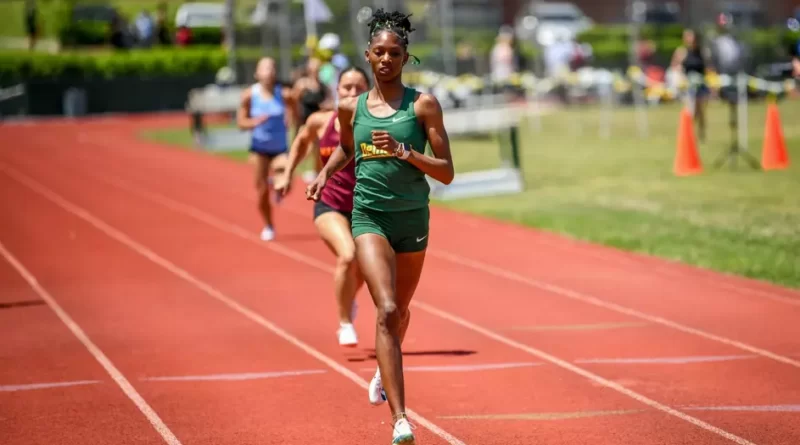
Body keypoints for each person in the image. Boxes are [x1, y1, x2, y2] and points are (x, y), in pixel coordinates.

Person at [305, 9, 454, 444]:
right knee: (386, 309)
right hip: (368, 215)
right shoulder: (350, 107)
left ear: (405, 57)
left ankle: (382, 370)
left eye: (394, 53)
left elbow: (445, 172)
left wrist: (408, 153)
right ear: (368, 56)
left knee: (401, 311)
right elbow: (345, 149)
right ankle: (401, 419)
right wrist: (323, 174)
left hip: (413, 219)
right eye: (379, 52)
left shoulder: (422, 105)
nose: (386, 59)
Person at [274, 66, 371, 347]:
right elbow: (301, 142)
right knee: (349, 255)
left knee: (366, 267)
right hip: (330, 205)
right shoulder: (321, 121)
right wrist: (287, 173)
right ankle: (344, 323)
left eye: (359, 87)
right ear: (336, 90)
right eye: (347, 87)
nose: (353, 92)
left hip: (366, 209)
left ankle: (347, 299)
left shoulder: (377, 122)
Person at [237, 57, 297, 241]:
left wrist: (290, 120)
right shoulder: (249, 95)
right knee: (261, 191)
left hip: (280, 148)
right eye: (264, 68)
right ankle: (269, 225)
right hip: (259, 148)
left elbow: (295, 112)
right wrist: (254, 122)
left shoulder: (284, 94)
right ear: (257, 73)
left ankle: (277, 184)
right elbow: (240, 123)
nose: (269, 71)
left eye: (272, 68)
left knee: (287, 177)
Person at [671, 28, 712, 142]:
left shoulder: (702, 52)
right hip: (688, 86)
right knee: (691, 110)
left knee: (701, 111)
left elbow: (708, 67)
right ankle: (690, 135)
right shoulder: (682, 52)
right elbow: (675, 66)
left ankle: (701, 134)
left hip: (701, 85)